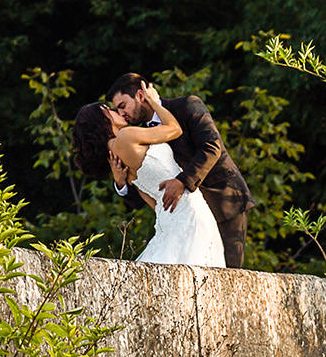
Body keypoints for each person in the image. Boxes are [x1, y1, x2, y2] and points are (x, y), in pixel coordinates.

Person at [69, 74, 253, 268]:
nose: (121, 113)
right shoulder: (133, 136)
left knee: (229, 273)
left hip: (223, 200)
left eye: (122, 106)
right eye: (114, 110)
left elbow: (212, 147)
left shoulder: (187, 106)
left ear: (141, 95)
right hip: (184, 213)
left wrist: (182, 181)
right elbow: (149, 195)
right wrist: (121, 185)